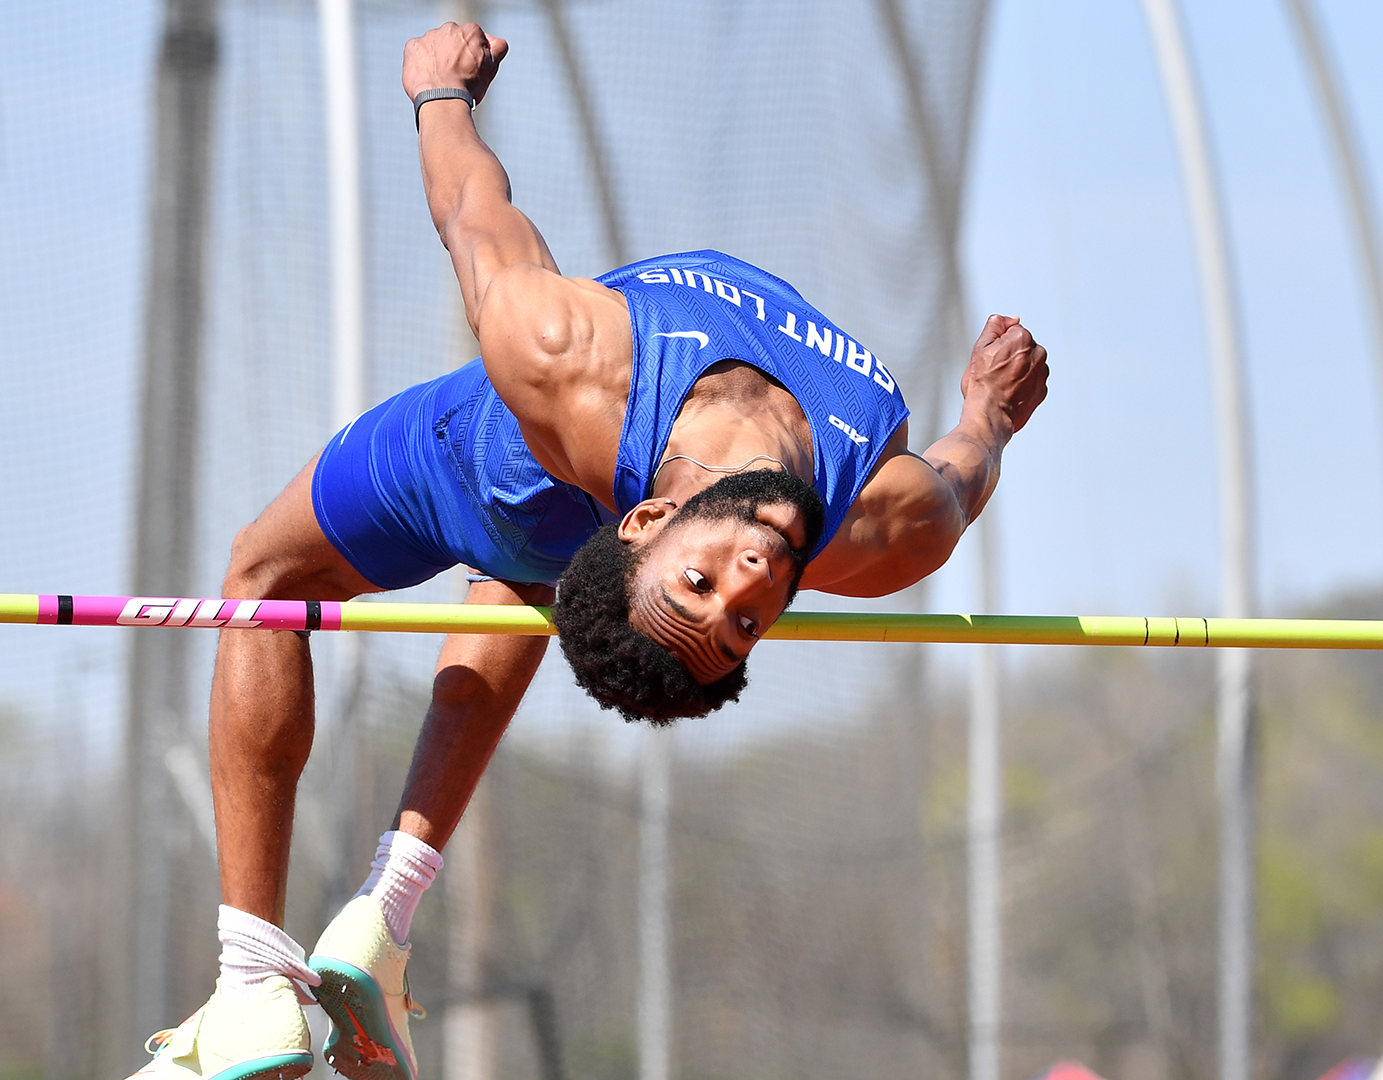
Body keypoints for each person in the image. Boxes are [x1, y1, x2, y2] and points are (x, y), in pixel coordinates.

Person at [124, 20, 1049, 1080]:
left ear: (648, 527)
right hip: (548, 512)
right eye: (740, 619)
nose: (746, 584)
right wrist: (990, 414)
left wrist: (436, 94)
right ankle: (379, 915)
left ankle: (252, 981)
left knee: (264, 573)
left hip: (474, 457)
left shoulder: (569, 361)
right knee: (520, 573)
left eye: (700, 589)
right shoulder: (888, 526)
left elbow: (474, 216)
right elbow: (958, 477)